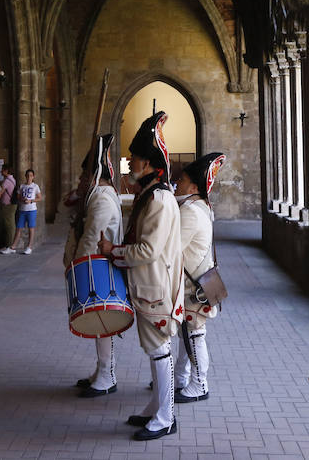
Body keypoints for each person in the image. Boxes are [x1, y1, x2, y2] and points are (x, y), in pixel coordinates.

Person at [99, 111, 183, 441]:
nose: (130, 162)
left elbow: (147, 251)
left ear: (147, 164)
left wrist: (112, 252)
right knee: (154, 349)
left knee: (159, 349)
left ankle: (165, 417)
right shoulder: (150, 195)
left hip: (156, 287)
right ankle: (156, 408)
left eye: (133, 158)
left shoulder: (160, 199)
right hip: (148, 286)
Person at [63, 134, 124, 398]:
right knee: (99, 322)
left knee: (102, 322)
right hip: (95, 265)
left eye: (85, 176)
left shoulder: (101, 199)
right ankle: (101, 371)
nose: (81, 180)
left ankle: (107, 376)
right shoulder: (95, 195)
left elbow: (92, 236)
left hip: (97, 266)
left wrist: (77, 266)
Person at [173, 152, 226, 403]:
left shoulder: (191, 211)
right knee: (188, 331)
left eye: (181, 181)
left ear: (194, 187)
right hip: (199, 280)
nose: (177, 185)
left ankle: (200, 383)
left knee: (195, 334)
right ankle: (182, 378)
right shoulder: (200, 206)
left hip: (193, 285)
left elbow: (172, 248)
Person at [0, 169, 40, 254]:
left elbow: (39, 197)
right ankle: (13, 247)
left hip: (31, 210)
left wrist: (31, 201)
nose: (29, 177)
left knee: (31, 228)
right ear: (25, 176)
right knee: (19, 228)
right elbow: (18, 196)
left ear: (33, 177)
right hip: (22, 209)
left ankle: (29, 247)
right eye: (27, 175)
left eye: (31, 175)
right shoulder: (22, 186)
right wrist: (23, 199)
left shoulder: (35, 186)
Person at [0, 164, 17, 250]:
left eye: (2, 170)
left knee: (9, 225)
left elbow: (0, 192)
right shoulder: (12, 179)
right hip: (10, 205)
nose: (1, 171)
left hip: (8, 205)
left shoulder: (7, 181)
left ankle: (8, 245)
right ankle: (7, 244)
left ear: (6, 171)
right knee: (9, 224)